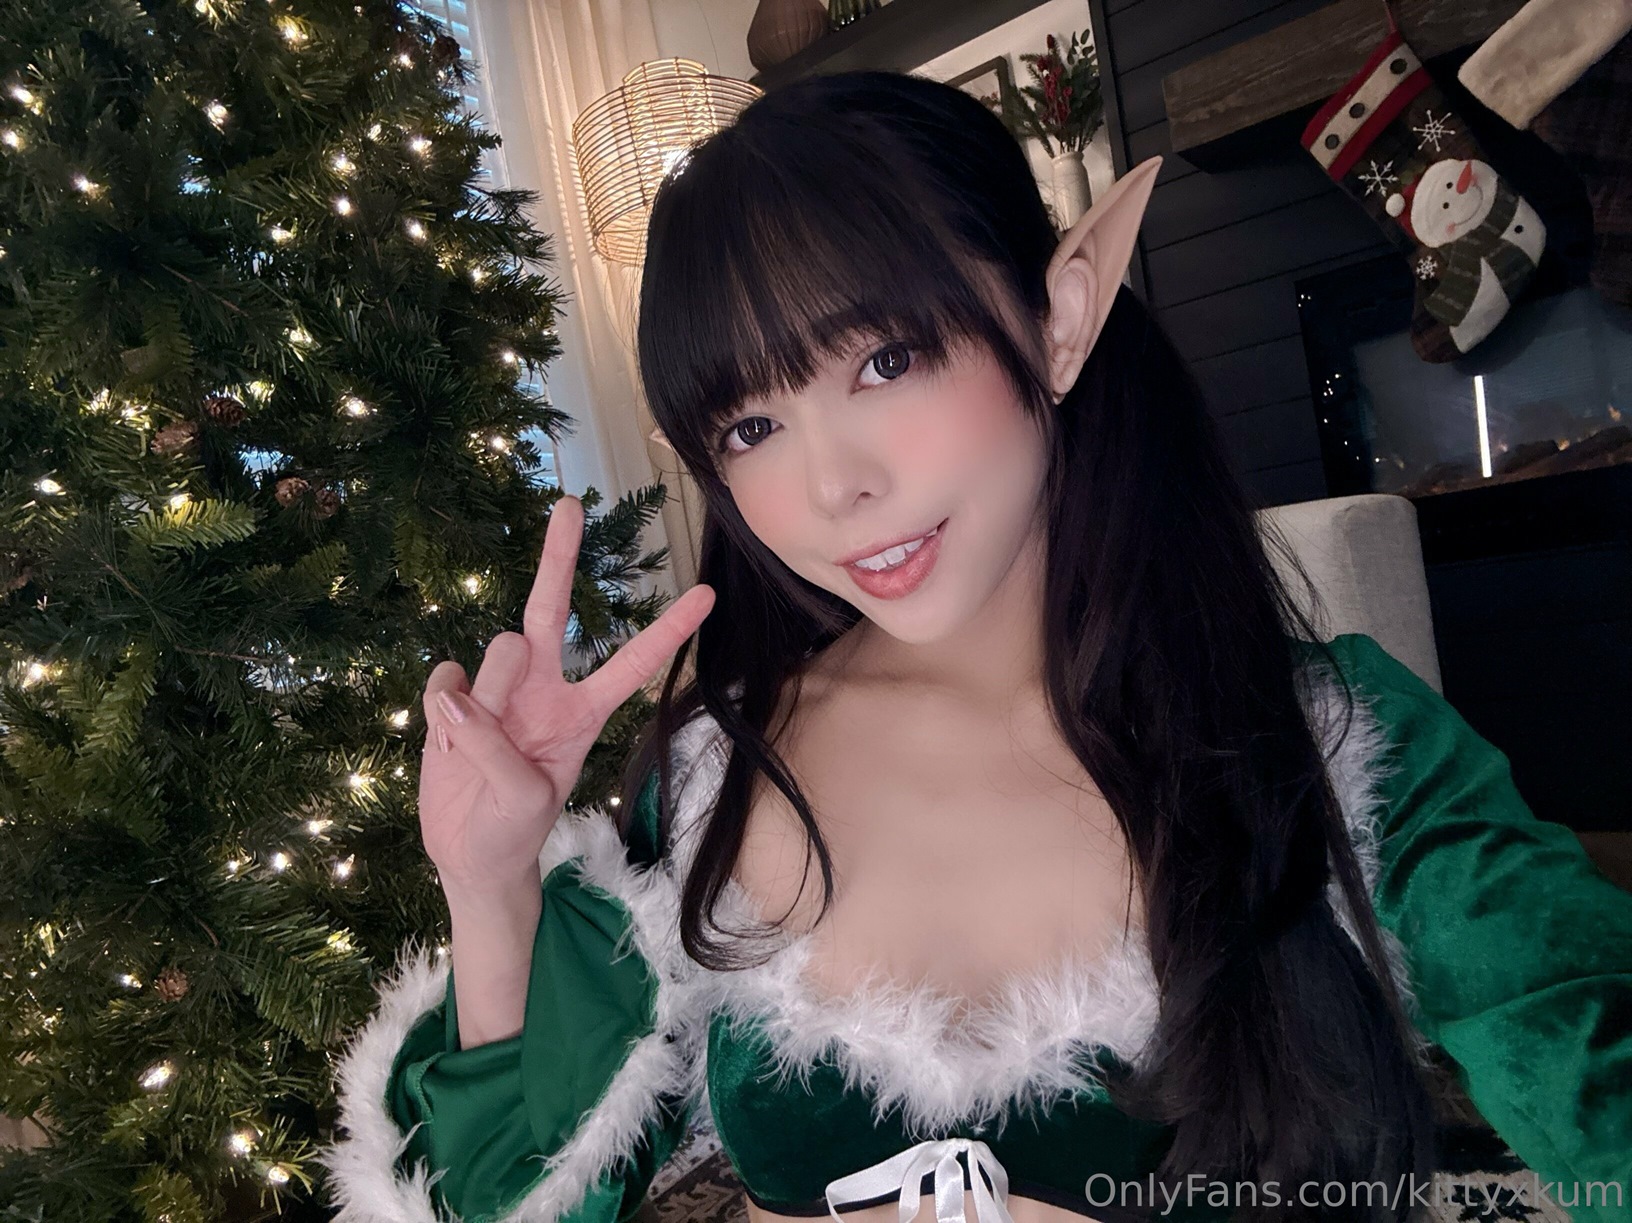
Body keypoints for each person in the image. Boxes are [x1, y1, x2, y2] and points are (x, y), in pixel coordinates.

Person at [316, 71, 1632, 1223]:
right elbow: (516, 1193)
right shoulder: (715, 774)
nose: (834, 487)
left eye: (886, 361)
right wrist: (490, 886)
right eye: (751, 428)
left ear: (1059, 318)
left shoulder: (1341, 749)